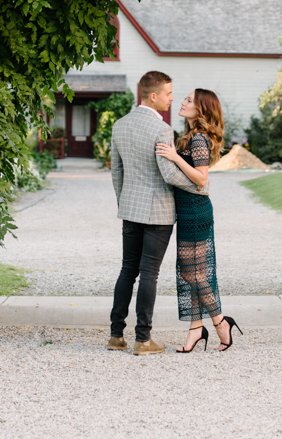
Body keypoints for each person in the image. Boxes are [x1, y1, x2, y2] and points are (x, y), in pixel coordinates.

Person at [108, 70, 207, 356]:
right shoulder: (162, 129)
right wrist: (198, 185)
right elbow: (168, 173)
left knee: (127, 270)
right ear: (154, 96)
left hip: (130, 208)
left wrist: (125, 202)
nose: (172, 98)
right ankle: (143, 339)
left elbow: (116, 172)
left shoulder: (119, 125)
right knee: (149, 274)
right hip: (158, 212)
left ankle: (116, 336)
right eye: (168, 93)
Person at [156, 88, 243, 352]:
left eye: (189, 100)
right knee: (194, 272)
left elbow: (201, 178)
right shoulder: (191, 136)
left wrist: (174, 157)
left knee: (190, 273)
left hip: (195, 211)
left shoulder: (198, 139)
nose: (182, 102)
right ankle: (196, 329)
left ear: (201, 109)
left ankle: (220, 322)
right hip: (190, 210)